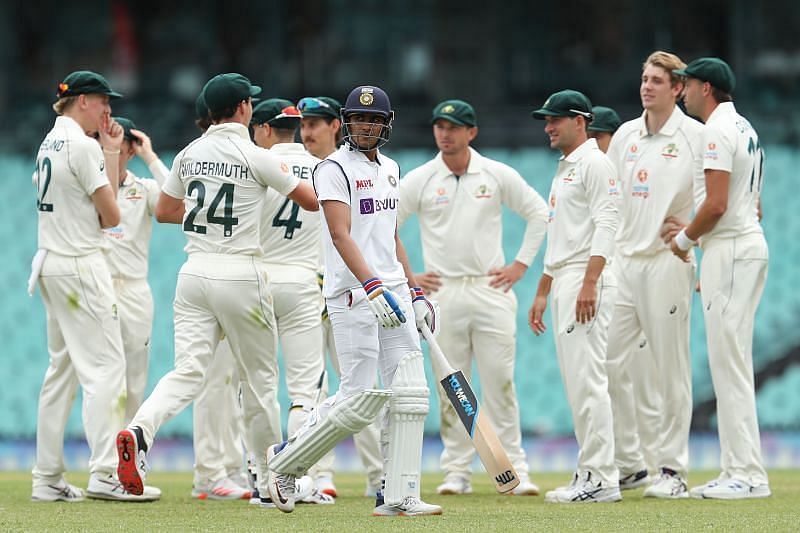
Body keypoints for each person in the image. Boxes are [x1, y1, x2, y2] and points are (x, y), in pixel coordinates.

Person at [115, 73, 319, 500]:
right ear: (244, 108)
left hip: (194, 273)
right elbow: (311, 201)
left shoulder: (190, 153)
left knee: (188, 372)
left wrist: (205, 207)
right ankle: (271, 483)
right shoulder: (254, 154)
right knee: (261, 383)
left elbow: (167, 210)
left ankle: (140, 429)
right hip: (241, 271)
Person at [265, 85, 441, 517]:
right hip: (354, 294)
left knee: (411, 394)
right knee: (359, 397)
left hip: (394, 292)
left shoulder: (392, 168)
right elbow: (341, 233)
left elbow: (390, 235)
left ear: (386, 124)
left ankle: (397, 493)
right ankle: (285, 465)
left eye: (374, 120)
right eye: (358, 119)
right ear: (346, 122)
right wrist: (372, 285)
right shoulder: (331, 169)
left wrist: (413, 289)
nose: (365, 126)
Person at [398, 99, 547, 496]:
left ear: (471, 132)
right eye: (439, 126)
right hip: (443, 292)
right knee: (453, 388)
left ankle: (516, 469)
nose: (444, 134)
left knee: (500, 385)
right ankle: (456, 472)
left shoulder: (495, 174)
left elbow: (538, 212)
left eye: (453, 127)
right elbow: (384, 224)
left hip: (489, 289)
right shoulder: (422, 178)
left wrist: (520, 266)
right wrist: (410, 278)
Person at [30, 70, 159, 502]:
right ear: (82, 100)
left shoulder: (49, 143)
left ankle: (46, 478)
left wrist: (106, 148)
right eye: (104, 100)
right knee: (106, 370)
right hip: (81, 265)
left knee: (61, 374)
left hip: (49, 262)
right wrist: (105, 150)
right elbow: (112, 216)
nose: (108, 109)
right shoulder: (82, 146)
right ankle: (107, 473)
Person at [667, 57, 770, 499]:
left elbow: (716, 204)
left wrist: (685, 242)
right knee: (733, 362)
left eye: (687, 85)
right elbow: (753, 203)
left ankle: (747, 475)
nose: (682, 93)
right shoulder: (744, 126)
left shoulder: (714, 130)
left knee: (729, 365)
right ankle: (737, 468)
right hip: (742, 248)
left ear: (705, 88)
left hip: (729, 251)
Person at [604, 51, 703, 499]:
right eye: (644, 78)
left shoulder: (695, 137)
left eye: (657, 81)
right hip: (624, 263)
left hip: (668, 261)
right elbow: (611, 198)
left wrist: (691, 232)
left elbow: (717, 195)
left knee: (670, 371)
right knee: (605, 362)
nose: (647, 87)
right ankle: (629, 464)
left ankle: (673, 470)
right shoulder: (625, 134)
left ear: (678, 88)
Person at [528, 90, 621, 503]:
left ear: (580, 121)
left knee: (589, 382)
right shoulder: (566, 168)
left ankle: (601, 478)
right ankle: (590, 471)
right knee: (577, 383)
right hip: (568, 276)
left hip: (586, 277)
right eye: (546, 120)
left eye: (555, 120)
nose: (548, 127)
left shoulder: (595, 163)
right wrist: (543, 290)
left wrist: (589, 281)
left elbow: (608, 222)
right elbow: (559, 234)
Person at [298, 95, 384, 498]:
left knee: (362, 389)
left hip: (352, 290)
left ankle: (378, 476)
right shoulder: (288, 167)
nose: (307, 131)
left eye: (316, 123)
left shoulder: (358, 168)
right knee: (313, 387)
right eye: (303, 124)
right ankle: (319, 476)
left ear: (336, 125)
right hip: (309, 291)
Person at [250, 98, 332, 505]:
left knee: (258, 385)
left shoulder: (254, 163)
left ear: (265, 129)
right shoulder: (322, 169)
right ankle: (292, 478)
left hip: (259, 280)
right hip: (302, 282)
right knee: (305, 390)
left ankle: (259, 478)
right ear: (297, 128)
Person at [187, 92, 252, 502]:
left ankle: (224, 466)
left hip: (205, 273)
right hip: (224, 274)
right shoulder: (232, 157)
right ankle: (210, 472)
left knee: (228, 382)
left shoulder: (195, 156)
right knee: (217, 380)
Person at [103, 117, 169, 425]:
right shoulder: (88, 186)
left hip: (134, 289)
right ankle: (103, 459)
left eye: (120, 141)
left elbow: (177, 200)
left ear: (130, 148)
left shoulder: (142, 189)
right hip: (98, 286)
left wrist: (150, 157)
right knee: (102, 376)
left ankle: (126, 450)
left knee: (134, 378)